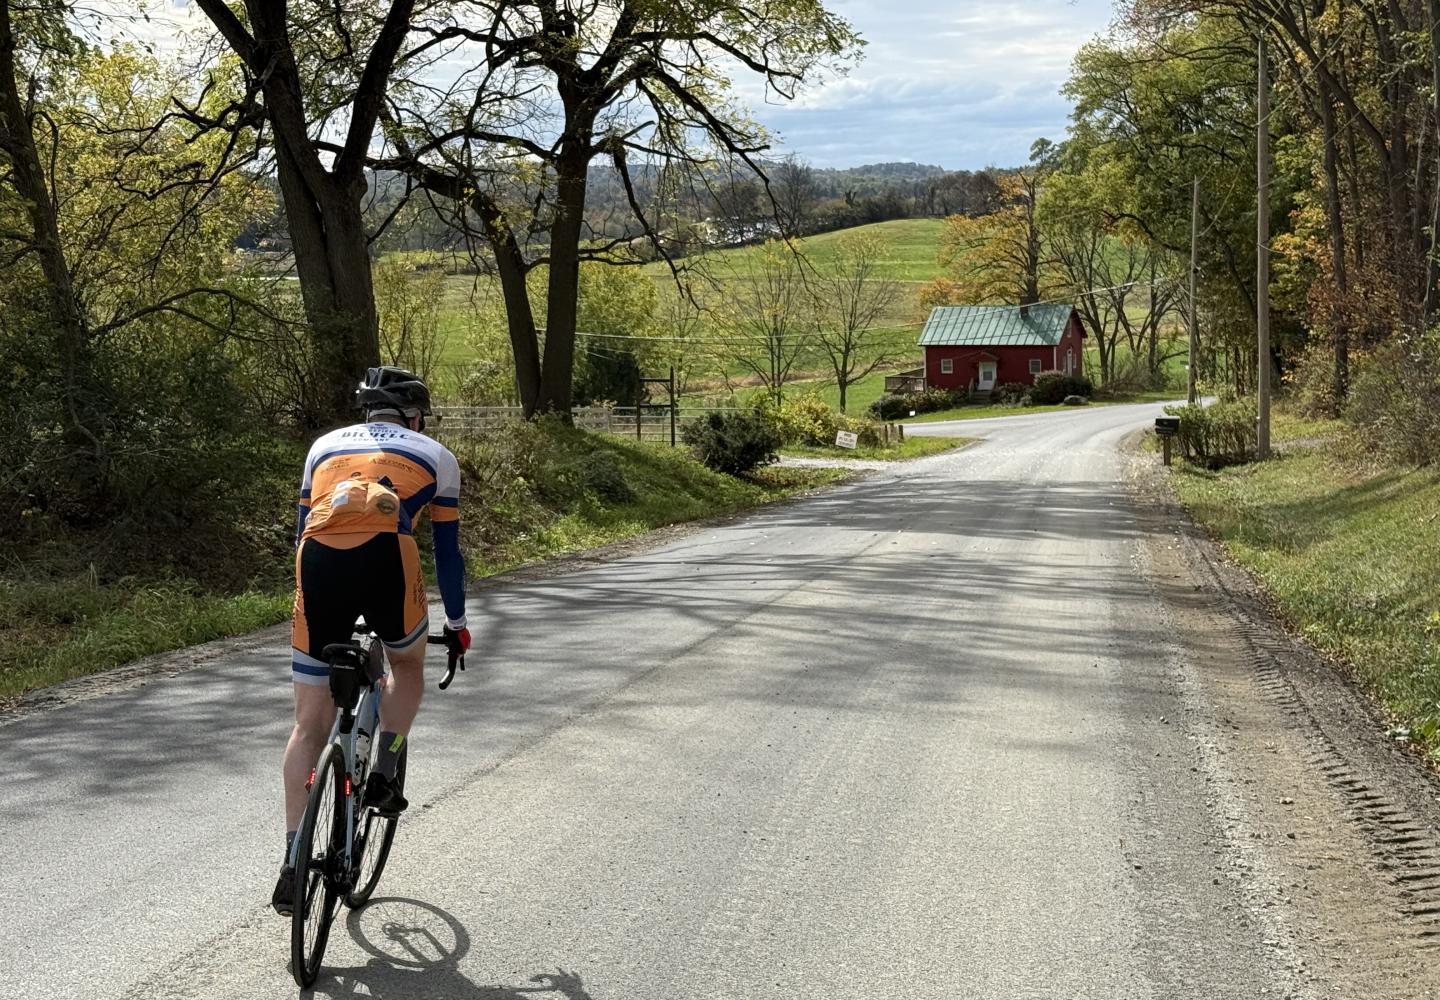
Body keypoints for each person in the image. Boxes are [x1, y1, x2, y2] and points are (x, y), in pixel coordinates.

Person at [271, 366, 470, 915]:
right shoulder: (435, 454)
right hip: (386, 557)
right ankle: (385, 764)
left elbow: (300, 528)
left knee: (307, 726)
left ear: (366, 413)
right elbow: (448, 554)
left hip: (316, 561)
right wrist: (454, 625)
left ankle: (292, 861)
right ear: (414, 415)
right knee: (406, 665)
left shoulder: (322, 447)